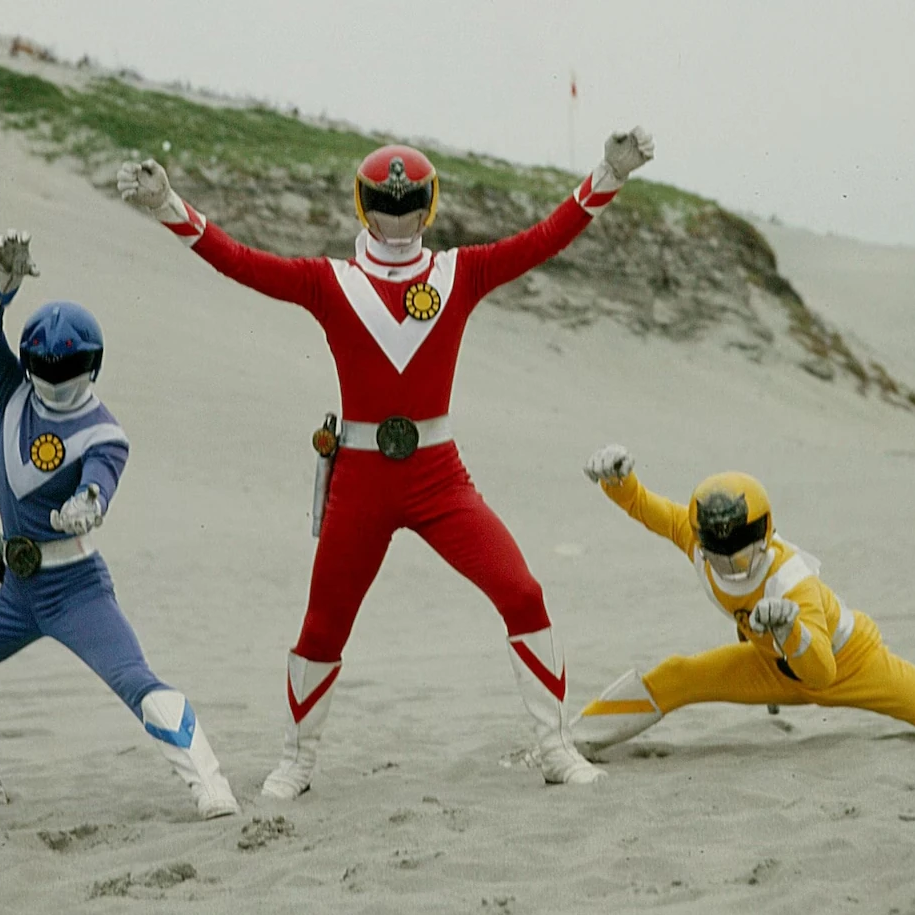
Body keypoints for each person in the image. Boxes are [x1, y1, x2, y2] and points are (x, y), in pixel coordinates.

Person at [117, 128, 654, 797]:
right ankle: (298, 761)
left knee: (522, 594)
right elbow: (242, 262)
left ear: (427, 207)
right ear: (362, 206)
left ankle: (554, 747)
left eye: (407, 204)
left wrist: (608, 174)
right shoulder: (329, 282)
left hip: (438, 475)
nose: (396, 215)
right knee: (322, 627)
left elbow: (545, 238)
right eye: (383, 203)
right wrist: (169, 206)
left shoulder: (460, 272)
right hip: (361, 481)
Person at [0, 231, 240, 820]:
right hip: (17, 592)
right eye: (45, 365)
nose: (57, 375)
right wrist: (1, 285)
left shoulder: (104, 432)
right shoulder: (11, 394)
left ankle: (211, 787)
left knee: (135, 681)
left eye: (70, 365)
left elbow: (102, 478)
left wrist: (90, 501)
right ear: (29, 364)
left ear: (94, 366)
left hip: (75, 589)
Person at [570, 444, 915, 755]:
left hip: (851, 665)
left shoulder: (792, 581)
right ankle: (572, 742)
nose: (731, 567)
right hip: (770, 666)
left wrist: (789, 629)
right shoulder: (700, 544)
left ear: (766, 534)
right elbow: (649, 509)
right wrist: (619, 481)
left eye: (742, 555)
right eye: (718, 557)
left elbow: (822, 674)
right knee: (677, 676)